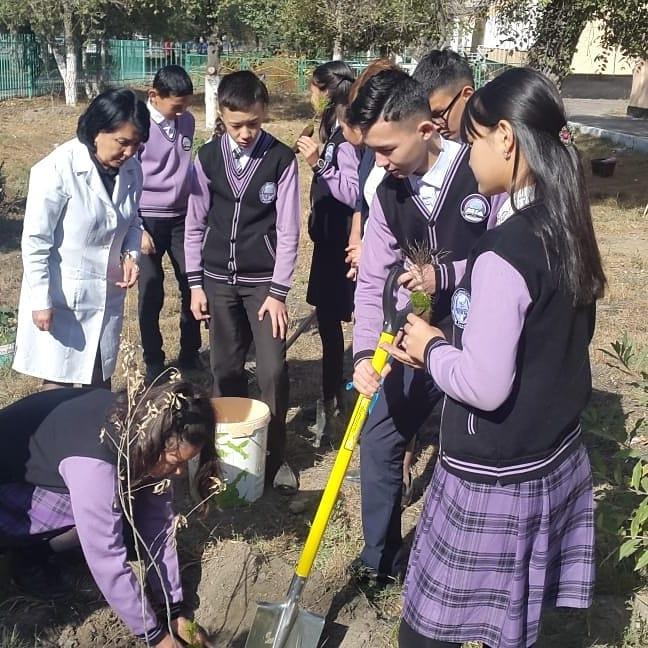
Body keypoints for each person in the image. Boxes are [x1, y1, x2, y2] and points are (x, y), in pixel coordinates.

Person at [384, 67, 604, 648]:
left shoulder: (506, 253)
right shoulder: (564, 219)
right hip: (551, 453)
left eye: (473, 139)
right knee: (512, 623)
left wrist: (431, 348)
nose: (466, 152)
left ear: (505, 138)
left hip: (494, 473)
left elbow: (484, 385)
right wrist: (450, 278)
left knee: (424, 634)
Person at [348, 70, 502, 584]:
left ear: (427, 129)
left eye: (387, 149)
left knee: (468, 449)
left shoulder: (482, 174)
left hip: (479, 342)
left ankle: (466, 563)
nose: (380, 162)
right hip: (414, 341)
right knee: (379, 437)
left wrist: (447, 275)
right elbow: (373, 281)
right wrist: (364, 355)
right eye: (372, 151)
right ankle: (381, 560)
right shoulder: (387, 195)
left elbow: (510, 257)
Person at [0, 381, 219, 648]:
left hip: (45, 466)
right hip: (10, 487)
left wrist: (174, 611)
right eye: (176, 462)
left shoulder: (147, 426)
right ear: (155, 443)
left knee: (123, 520)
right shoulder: (94, 462)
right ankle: (27, 557)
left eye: (186, 462)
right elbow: (106, 556)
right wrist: (156, 637)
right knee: (103, 521)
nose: (180, 472)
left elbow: (158, 525)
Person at [185, 71, 301, 490]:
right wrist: (195, 284)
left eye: (254, 122)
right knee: (224, 369)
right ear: (221, 115)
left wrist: (278, 292)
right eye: (236, 125)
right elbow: (194, 224)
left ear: (264, 112)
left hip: (263, 286)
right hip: (217, 282)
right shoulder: (207, 159)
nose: (246, 133)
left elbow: (288, 231)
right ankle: (222, 454)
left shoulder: (281, 160)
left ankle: (275, 457)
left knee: (272, 370)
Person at [12, 89, 148, 390]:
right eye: (122, 142)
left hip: (106, 294)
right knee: (57, 386)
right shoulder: (57, 169)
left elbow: (133, 222)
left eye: (136, 144)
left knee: (99, 384)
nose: (129, 152)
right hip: (62, 297)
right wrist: (41, 300)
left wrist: (131, 255)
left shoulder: (132, 171)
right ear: (97, 131)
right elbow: (36, 241)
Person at [296, 61, 358, 436]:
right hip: (329, 240)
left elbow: (352, 193)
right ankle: (331, 393)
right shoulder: (332, 128)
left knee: (336, 324)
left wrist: (319, 164)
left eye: (313, 88)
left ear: (326, 92)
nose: (310, 95)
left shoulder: (346, 136)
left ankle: (337, 396)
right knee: (329, 323)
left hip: (341, 246)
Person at [138, 65, 202, 384]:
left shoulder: (186, 121)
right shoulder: (138, 125)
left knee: (193, 282)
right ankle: (154, 359)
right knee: (151, 289)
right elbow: (126, 178)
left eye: (186, 106)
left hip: (182, 217)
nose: (181, 113)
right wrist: (137, 228)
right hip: (147, 218)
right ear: (154, 96)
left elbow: (186, 164)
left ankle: (191, 351)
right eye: (176, 107)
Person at [412, 49, 475, 142]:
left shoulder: (494, 145)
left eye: (438, 114)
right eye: (427, 118)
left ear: (467, 96)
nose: (435, 126)